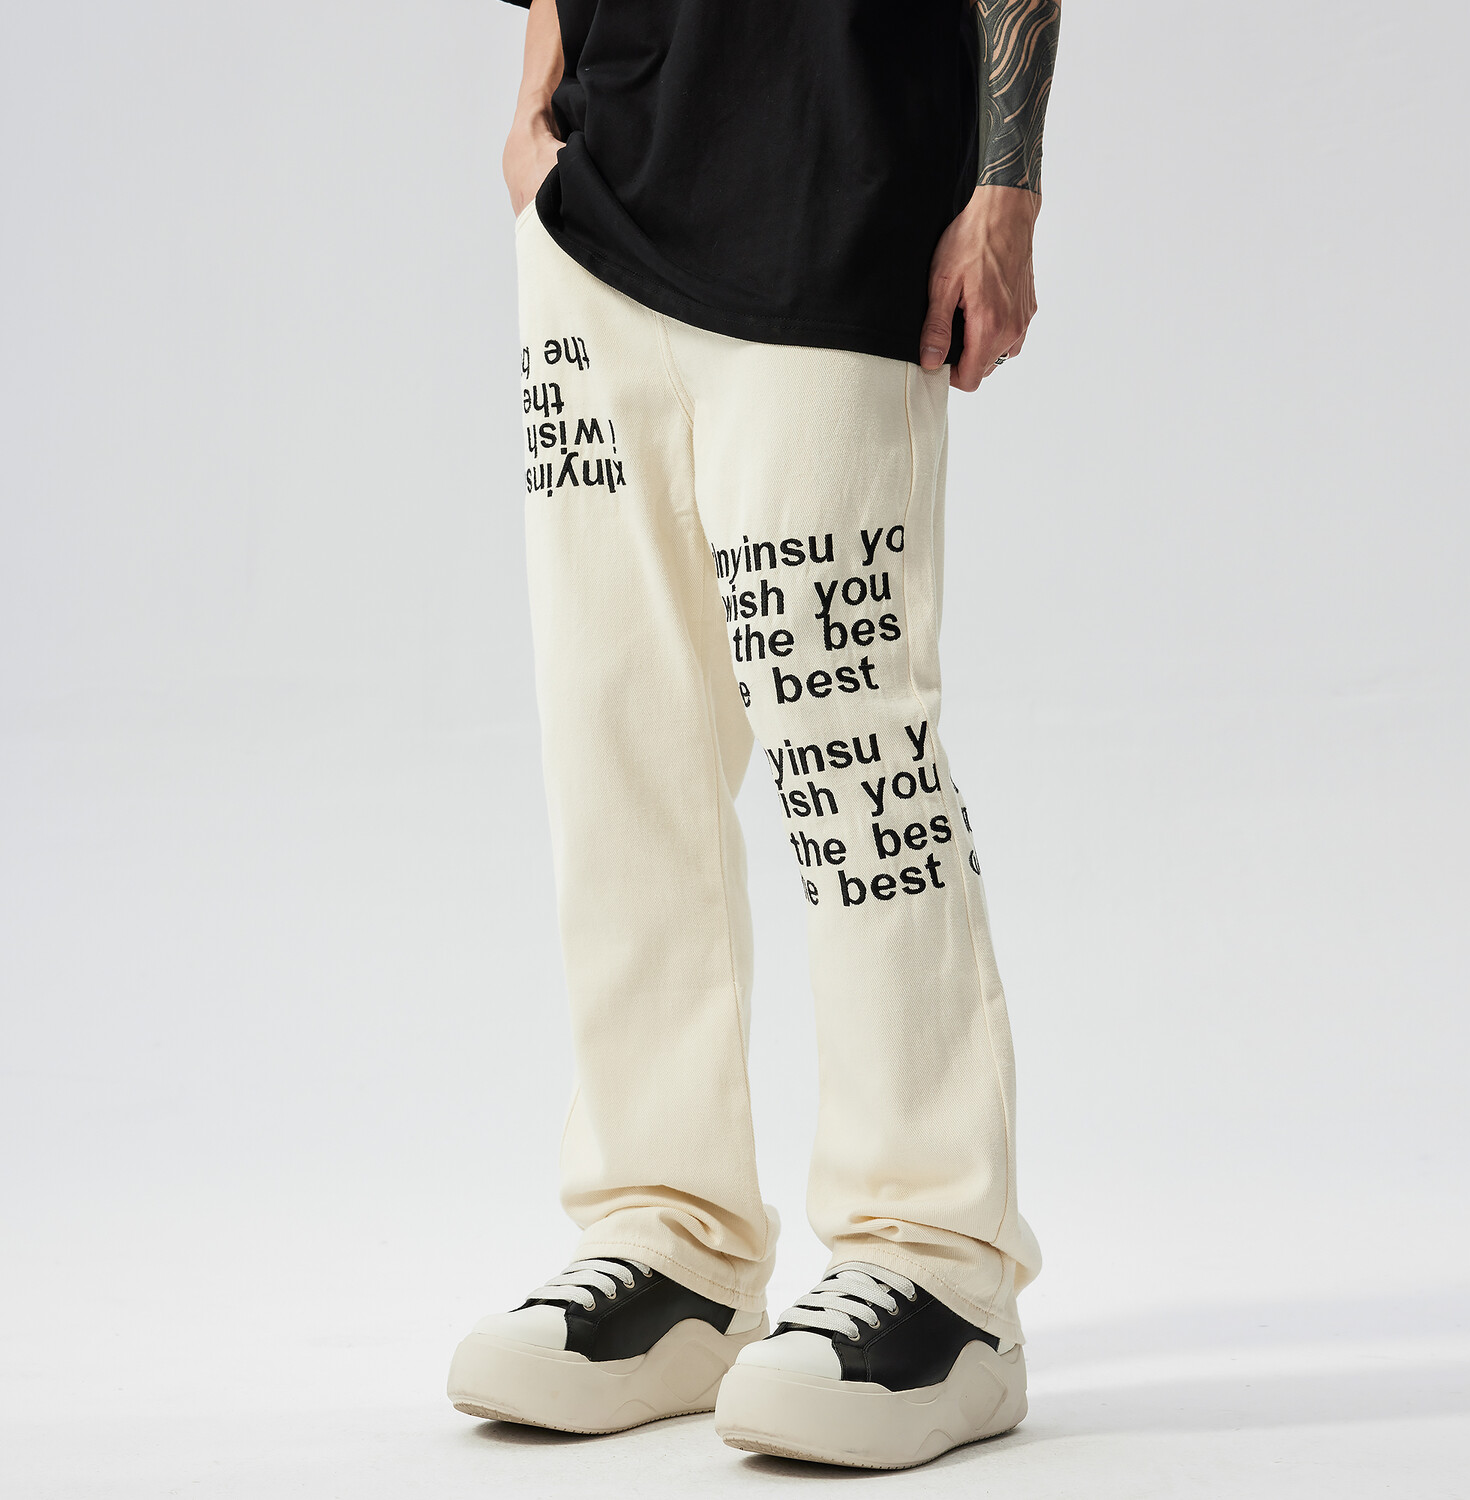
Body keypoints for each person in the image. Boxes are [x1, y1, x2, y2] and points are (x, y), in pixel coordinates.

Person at [446, 0, 1059, 1470]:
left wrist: (1007, 186)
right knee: (618, 740)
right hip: (596, 207)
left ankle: (940, 1265)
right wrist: (537, 90)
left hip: (840, 196)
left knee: (852, 758)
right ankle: (670, 1237)